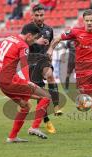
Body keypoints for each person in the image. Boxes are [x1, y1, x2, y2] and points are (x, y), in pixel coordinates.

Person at [0, 23, 51, 142]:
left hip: (1, 81)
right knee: (47, 96)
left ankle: (12, 137)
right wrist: (28, 81)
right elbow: (24, 66)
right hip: (11, 81)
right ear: (29, 35)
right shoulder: (23, 45)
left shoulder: (9, 38)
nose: (33, 42)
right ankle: (34, 127)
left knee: (26, 105)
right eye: (34, 39)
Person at [27, 4, 62, 134]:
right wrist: (37, 42)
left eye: (41, 15)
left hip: (44, 60)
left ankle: (57, 106)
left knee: (50, 75)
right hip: (32, 63)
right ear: (32, 16)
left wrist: (51, 50)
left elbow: (51, 43)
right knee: (40, 96)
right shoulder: (28, 29)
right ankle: (46, 120)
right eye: (37, 15)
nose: (39, 18)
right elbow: (23, 43)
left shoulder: (49, 29)